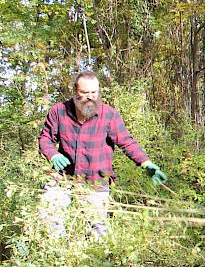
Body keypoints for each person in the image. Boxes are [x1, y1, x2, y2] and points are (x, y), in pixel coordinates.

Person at [38, 71, 168, 238]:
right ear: (75, 92)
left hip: (96, 180)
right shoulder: (59, 111)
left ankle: (93, 260)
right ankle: (59, 252)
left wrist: (146, 163)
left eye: (94, 93)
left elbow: (127, 142)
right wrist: (53, 155)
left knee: (98, 230)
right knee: (49, 211)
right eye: (85, 93)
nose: (90, 97)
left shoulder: (109, 115)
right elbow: (45, 138)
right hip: (64, 178)